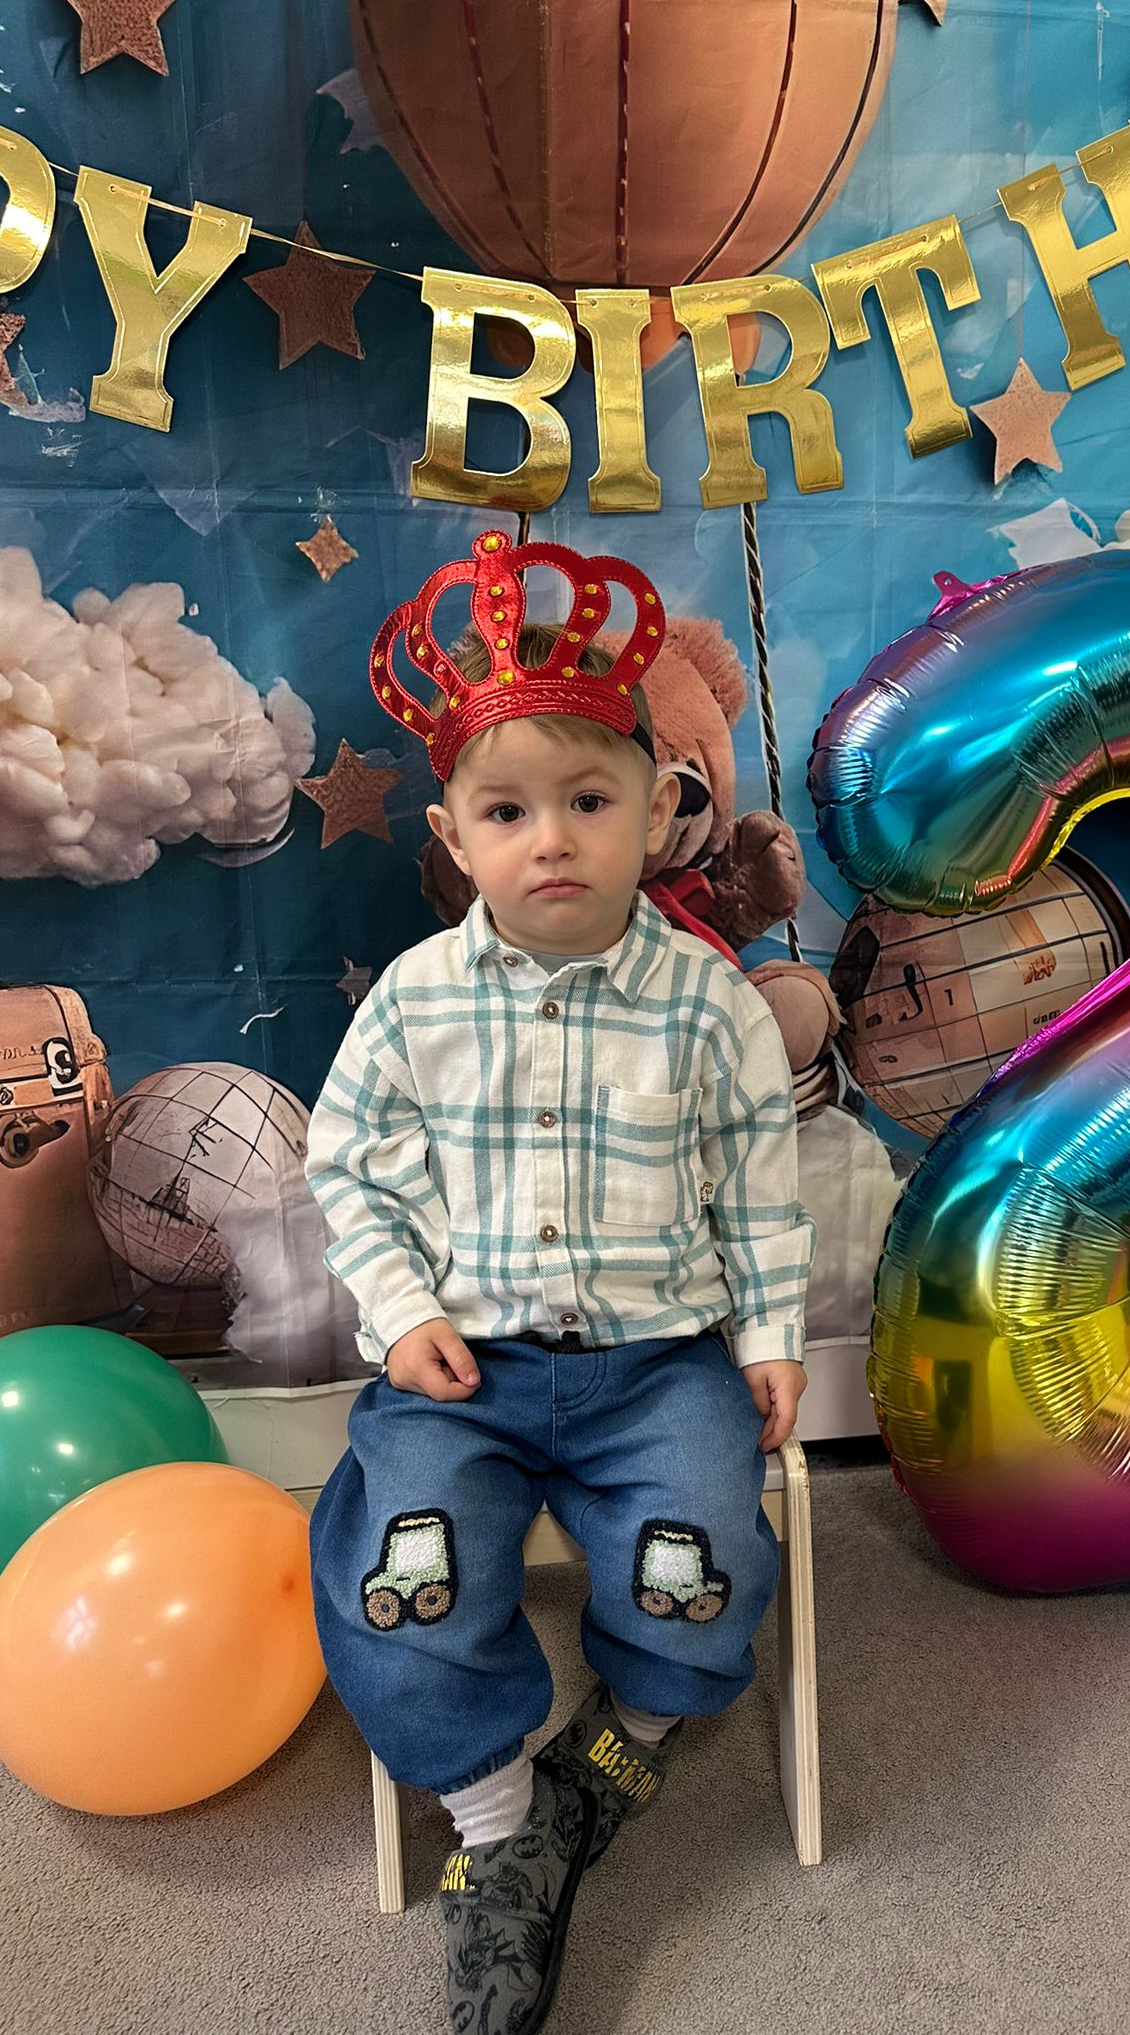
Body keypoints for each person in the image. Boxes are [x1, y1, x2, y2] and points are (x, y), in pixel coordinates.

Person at [305, 532, 814, 2034]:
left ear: (656, 809)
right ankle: (497, 1825)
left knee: (699, 1549)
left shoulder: (709, 1005)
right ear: (455, 836)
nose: (553, 842)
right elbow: (351, 1172)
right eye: (508, 812)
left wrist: (770, 1335)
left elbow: (758, 1185)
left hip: (656, 1366)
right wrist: (401, 1313)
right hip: (459, 1369)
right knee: (404, 1570)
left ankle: (628, 1738)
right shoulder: (416, 1001)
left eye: (589, 802)